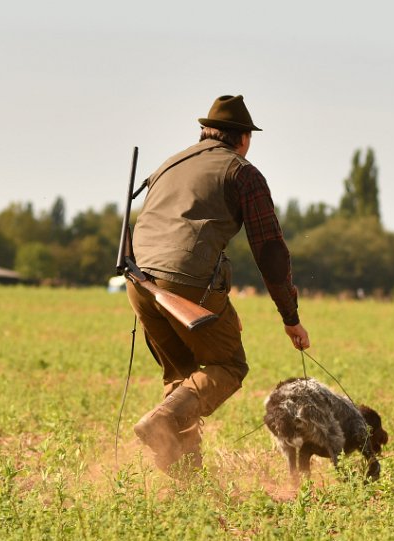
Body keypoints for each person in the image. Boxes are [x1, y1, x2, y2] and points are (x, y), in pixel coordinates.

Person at [127, 94, 310, 475]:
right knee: (229, 365)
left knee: (182, 377)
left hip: (139, 281)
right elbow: (271, 251)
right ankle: (161, 427)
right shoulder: (242, 172)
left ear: (205, 132)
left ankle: (186, 480)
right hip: (187, 282)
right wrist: (290, 316)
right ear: (242, 138)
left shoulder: (168, 164)